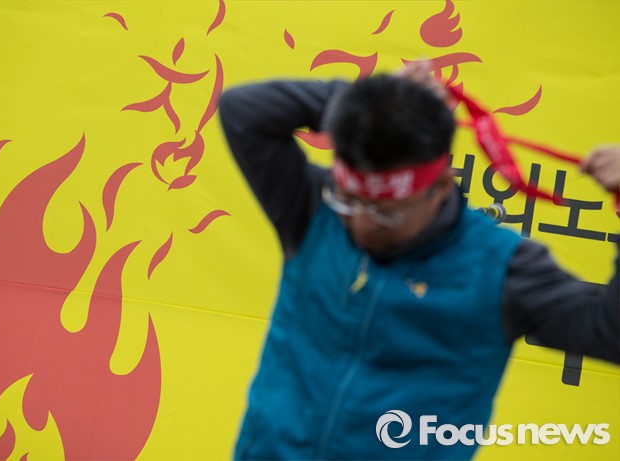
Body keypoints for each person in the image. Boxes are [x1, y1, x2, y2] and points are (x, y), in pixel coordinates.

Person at [217, 62, 620, 460]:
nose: (362, 225)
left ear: (442, 185)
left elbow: (610, 334)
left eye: (386, 213)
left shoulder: (500, 268)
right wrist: (367, 105)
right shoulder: (314, 209)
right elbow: (243, 112)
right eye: (351, 201)